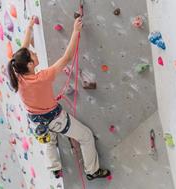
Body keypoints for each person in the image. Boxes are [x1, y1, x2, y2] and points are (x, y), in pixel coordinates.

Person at [7, 16, 110, 181]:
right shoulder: (42, 77)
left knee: (49, 138)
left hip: (36, 120)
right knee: (85, 136)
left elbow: (22, 51)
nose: (34, 53)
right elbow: (67, 58)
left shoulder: (17, 73)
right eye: (32, 55)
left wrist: (29, 29)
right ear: (30, 65)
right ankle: (92, 171)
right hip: (55, 118)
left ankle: (54, 167)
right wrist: (76, 31)